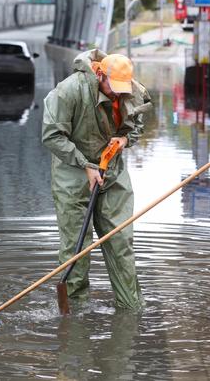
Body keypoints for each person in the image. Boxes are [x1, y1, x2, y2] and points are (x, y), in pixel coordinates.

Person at [42, 50, 150, 310]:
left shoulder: (131, 91)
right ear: (100, 74)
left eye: (123, 90)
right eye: (114, 89)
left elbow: (136, 125)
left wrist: (124, 139)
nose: (118, 94)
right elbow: (51, 135)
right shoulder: (69, 91)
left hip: (112, 171)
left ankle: (131, 308)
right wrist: (85, 165)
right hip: (73, 173)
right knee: (76, 249)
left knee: (121, 240)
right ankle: (75, 314)